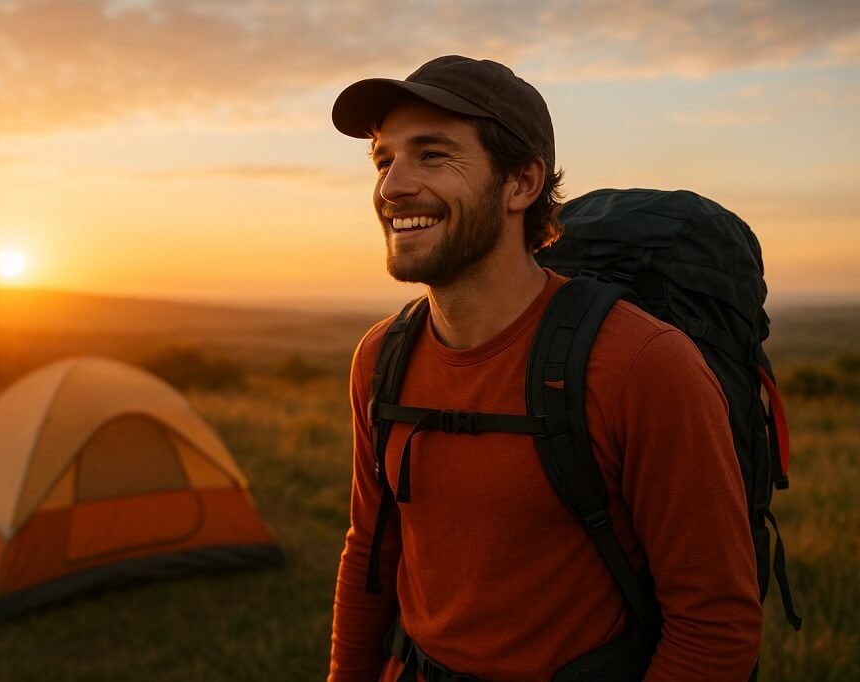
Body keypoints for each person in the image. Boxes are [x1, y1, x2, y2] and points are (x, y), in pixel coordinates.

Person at [327, 56, 763, 681]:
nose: (392, 186)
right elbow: (369, 554)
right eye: (383, 159)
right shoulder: (381, 358)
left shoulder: (643, 365)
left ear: (522, 182)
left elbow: (715, 622)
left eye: (432, 155)